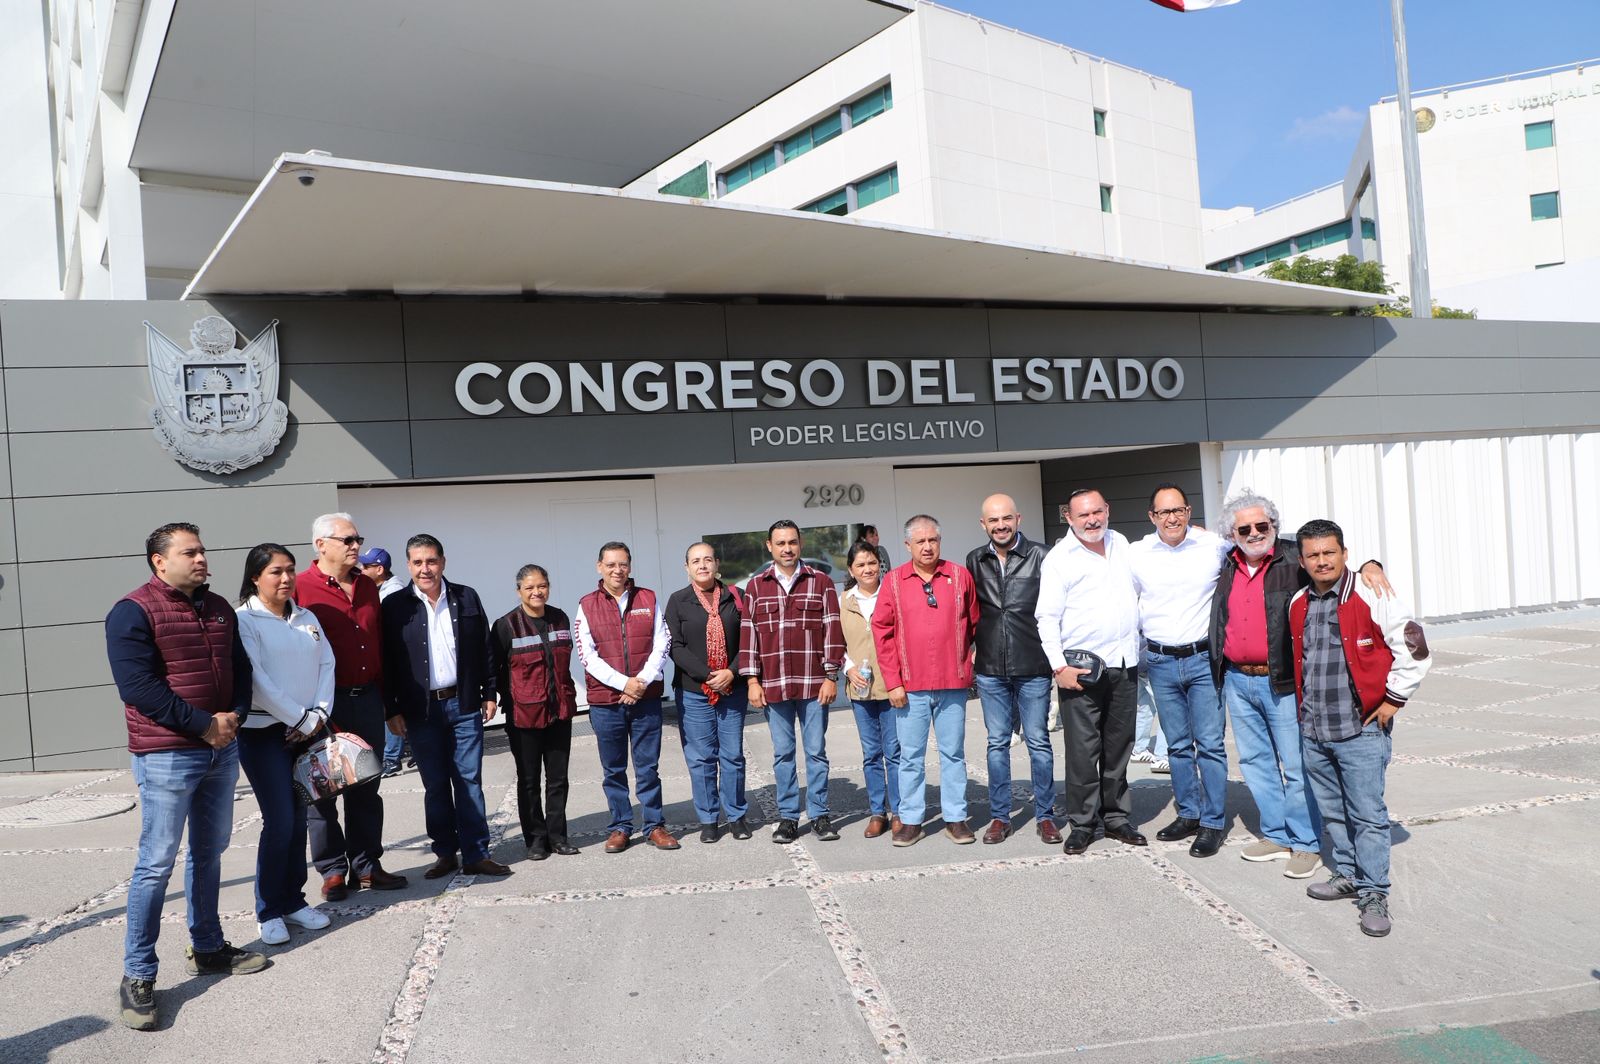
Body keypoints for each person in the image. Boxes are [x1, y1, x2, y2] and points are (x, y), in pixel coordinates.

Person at [105, 523, 266, 1031]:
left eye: (202, 551)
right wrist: (203, 725)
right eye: (189, 552)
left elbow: (241, 670)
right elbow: (137, 687)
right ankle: (138, 974)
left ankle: (208, 946)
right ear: (159, 561)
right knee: (156, 863)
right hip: (168, 754)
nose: (201, 559)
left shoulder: (218, 607)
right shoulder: (132, 611)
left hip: (221, 749)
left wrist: (234, 717)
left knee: (209, 852)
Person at [1208, 490, 1390, 880]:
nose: (1255, 533)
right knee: (1255, 762)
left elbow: (1335, 566)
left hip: (1281, 681)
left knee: (1296, 765)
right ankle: (1277, 834)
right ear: (1232, 534)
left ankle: (1306, 842)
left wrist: (1371, 565)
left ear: (1274, 526)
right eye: (1245, 529)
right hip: (1238, 679)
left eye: (1262, 525)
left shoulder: (1294, 559)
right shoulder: (1226, 565)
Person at [1290, 519, 1431, 938]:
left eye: (1329, 552)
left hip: (1361, 729)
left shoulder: (1373, 593)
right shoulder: (1298, 602)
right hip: (1315, 729)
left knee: (1368, 815)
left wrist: (1393, 699)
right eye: (1313, 555)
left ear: (1345, 554)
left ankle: (1374, 893)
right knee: (1334, 812)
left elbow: (1415, 649)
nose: (1322, 561)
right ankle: (1348, 874)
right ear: (1302, 560)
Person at [382, 534, 511, 879]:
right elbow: (388, 662)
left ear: (443, 562)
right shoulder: (394, 606)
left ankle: (476, 854)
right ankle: (444, 853)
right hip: (420, 711)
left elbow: (484, 648)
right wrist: (391, 709)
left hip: (463, 704)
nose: (425, 569)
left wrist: (489, 692)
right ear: (408, 565)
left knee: (469, 781)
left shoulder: (466, 597)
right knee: (436, 785)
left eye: (431, 561)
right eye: (418, 562)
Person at [296, 512, 406, 899]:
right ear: (321, 544)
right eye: (348, 540)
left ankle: (367, 865)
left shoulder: (367, 587)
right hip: (325, 705)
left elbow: (380, 648)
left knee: (367, 788)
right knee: (324, 791)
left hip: (368, 699)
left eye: (357, 538)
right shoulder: (300, 588)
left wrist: (390, 705)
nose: (356, 545)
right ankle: (332, 871)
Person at [1035, 489, 1147, 856]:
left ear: (1107, 510)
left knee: (1119, 746)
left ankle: (1115, 817)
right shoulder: (1059, 558)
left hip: (1124, 664)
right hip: (1080, 671)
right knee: (1083, 751)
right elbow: (1046, 617)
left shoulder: (1122, 544)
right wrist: (1059, 667)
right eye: (1083, 515)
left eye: (1097, 511)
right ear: (1068, 517)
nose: (1092, 520)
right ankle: (1083, 823)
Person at [234, 544, 335, 946]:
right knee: (279, 821)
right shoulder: (245, 620)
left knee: (298, 820)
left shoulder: (306, 617)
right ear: (255, 577)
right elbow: (256, 680)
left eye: (290, 570)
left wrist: (319, 714)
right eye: (275, 571)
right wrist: (301, 718)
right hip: (264, 734)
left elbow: (326, 664)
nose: (286, 578)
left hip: (307, 731)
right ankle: (268, 910)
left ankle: (293, 900)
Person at [1129, 484, 1230, 858]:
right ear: (1152, 517)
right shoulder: (1136, 554)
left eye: (1178, 510)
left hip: (1203, 660)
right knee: (1177, 745)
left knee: (1210, 744)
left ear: (1189, 512)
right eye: (1164, 512)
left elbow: (1264, 546)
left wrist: (1369, 565)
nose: (1172, 518)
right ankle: (1189, 813)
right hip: (1160, 662)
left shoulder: (1213, 546)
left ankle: (1213, 822)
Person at [872, 515, 981, 847]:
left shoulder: (959, 576)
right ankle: (911, 820)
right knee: (910, 756)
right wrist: (893, 682)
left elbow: (974, 623)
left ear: (940, 541)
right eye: (920, 541)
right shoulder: (893, 581)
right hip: (910, 687)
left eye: (932, 540)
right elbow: (881, 632)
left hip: (952, 683)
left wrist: (966, 659)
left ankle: (955, 818)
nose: (927, 546)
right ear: (908, 545)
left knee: (953, 754)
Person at [740, 520, 846, 844]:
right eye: (781, 543)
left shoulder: (821, 582)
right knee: (783, 754)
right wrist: (752, 681)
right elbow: (749, 636)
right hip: (774, 685)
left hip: (814, 685)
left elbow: (833, 631)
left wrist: (831, 676)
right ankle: (788, 817)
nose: (787, 549)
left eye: (792, 542)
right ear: (769, 546)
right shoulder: (756, 587)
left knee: (816, 752)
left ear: (800, 544)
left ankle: (819, 815)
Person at [966, 493, 1058, 846]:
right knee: (996, 743)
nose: (1000, 525)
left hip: (1033, 664)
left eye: (1006, 518)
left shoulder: (1043, 556)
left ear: (1018, 519)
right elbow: (972, 611)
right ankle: (1000, 817)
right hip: (991, 667)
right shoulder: (975, 560)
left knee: (1038, 742)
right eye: (993, 520)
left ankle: (1046, 816)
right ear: (983, 524)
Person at [574, 541, 678, 853]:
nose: (617, 570)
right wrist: (624, 684)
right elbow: (587, 656)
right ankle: (620, 826)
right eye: (611, 564)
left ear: (630, 566)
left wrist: (641, 682)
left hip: (646, 699)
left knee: (648, 767)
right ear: (599, 567)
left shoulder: (648, 598)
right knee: (613, 770)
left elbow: (663, 641)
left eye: (623, 564)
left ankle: (654, 825)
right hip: (607, 702)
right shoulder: (586, 605)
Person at [665, 542, 752, 843]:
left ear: (716, 564)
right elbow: (675, 647)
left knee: (732, 756)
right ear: (686, 567)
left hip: (732, 688)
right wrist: (707, 675)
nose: (702, 566)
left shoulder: (736, 597)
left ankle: (737, 815)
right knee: (701, 758)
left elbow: (750, 640)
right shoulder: (678, 601)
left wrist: (731, 672)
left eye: (707, 560)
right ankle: (709, 819)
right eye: (695, 561)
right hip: (693, 692)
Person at [492, 564, 580, 859]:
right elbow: (495, 670)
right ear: (519, 591)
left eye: (541, 586)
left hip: (559, 711)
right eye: (529, 587)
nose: (536, 592)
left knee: (558, 780)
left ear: (549, 587)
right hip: (524, 716)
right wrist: (512, 698)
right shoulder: (506, 625)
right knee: (529, 781)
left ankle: (558, 837)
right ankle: (535, 840)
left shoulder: (560, 618)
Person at [839, 541, 900, 838]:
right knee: (872, 753)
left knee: (895, 752)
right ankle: (878, 812)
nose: (867, 569)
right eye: (860, 565)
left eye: (872, 563)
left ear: (880, 565)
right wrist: (848, 667)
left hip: (891, 687)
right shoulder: (843, 601)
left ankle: (899, 811)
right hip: (860, 689)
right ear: (851, 570)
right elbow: (835, 641)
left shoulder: (892, 595)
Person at [361, 545, 412, 776]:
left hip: (395, 660)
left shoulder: (393, 592)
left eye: (366, 566)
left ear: (380, 569)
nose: (362, 570)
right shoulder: (378, 589)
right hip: (384, 659)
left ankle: (391, 759)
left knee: (391, 708)